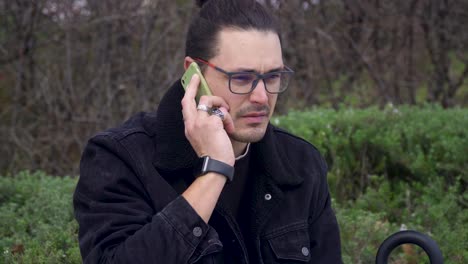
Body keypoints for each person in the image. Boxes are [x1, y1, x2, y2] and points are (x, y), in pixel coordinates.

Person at [73, 0, 342, 263]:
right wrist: (214, 171)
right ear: (194, 75)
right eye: (241, 78)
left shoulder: (301, 164)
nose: (262, 96)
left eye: (272, 77)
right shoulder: (121, 157)